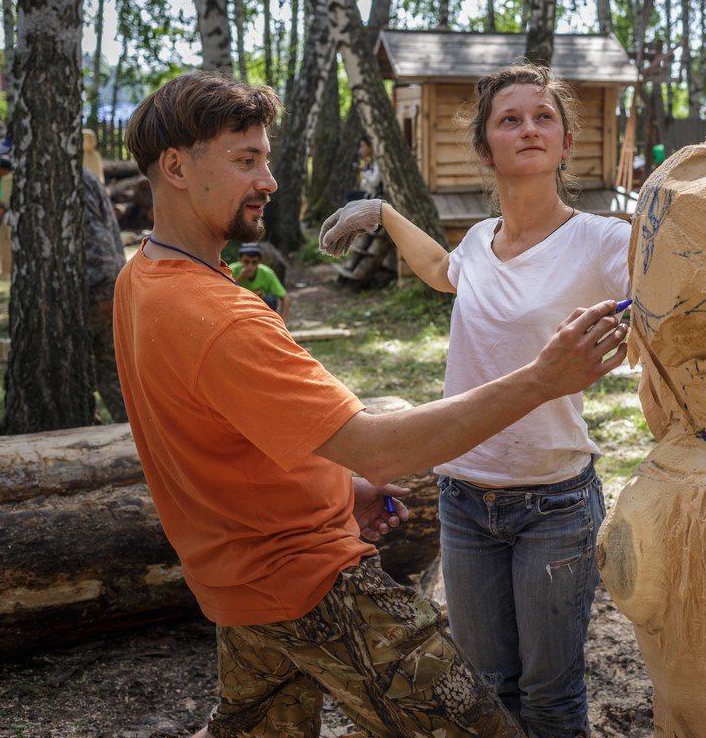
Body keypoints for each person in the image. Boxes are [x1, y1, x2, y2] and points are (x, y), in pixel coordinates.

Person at [113, 71, 628, 738]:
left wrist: (335, 484)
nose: (268, 181)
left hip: (237, 590)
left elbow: (226, 435)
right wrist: (542, 378)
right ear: (176, 168)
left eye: (265, 160)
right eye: (247, 162)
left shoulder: (141, 278)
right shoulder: (222, 317)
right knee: (484, 725)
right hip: (315, 585)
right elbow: (382, 445)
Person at [320, 62, 632, 738]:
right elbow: (440, 271)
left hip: (554, 503)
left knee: (550, 699)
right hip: (463, 500)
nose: (529, 128)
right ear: (485, 148)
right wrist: (383, 212)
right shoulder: (479, 241)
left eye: (543, 116)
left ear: (567, 143)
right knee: (487, 691)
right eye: (510, 119)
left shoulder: (603, 241)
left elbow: (680, 278)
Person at [82, 167, 128, 422]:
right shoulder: (84, 176)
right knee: (111, 368)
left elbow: (95, 236)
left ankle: (131, 431)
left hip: (98, 287)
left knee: (103, 366)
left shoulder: (74, 180)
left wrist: (104, 287)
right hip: (105, 283)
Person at [230, 243, 290, 322]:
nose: (250, 266)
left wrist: (283, 322)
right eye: (246, 262)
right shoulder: (231, 270)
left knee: (271, 299)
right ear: (240, 259)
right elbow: (225, 293)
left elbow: (285, 299)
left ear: (259, 261)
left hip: (260, 309)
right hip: (240, 308)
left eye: (254, 262)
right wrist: (240, 278)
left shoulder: (267, 273)